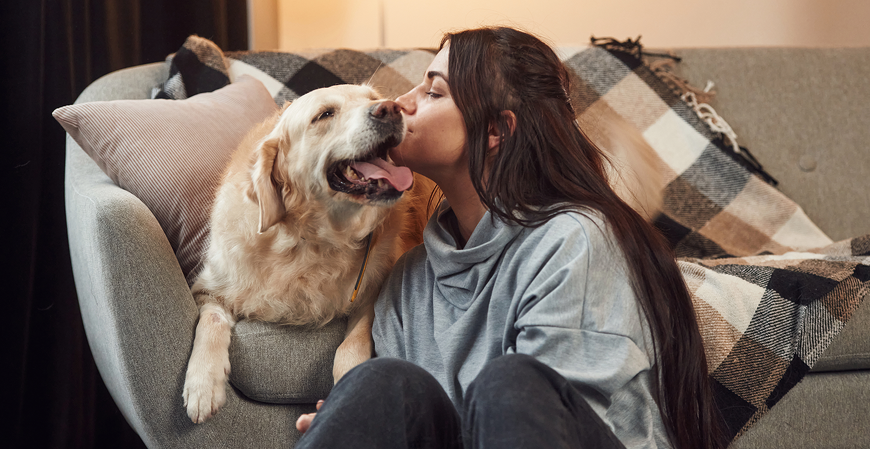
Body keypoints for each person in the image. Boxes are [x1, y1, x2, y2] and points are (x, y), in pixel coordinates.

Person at [294, 27, 726, 449]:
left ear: (497, 131)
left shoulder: (575, 240)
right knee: (381, 385)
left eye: (433, 92)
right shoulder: (410, 277)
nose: (398, 103)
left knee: (511, 382)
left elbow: (547, 421)